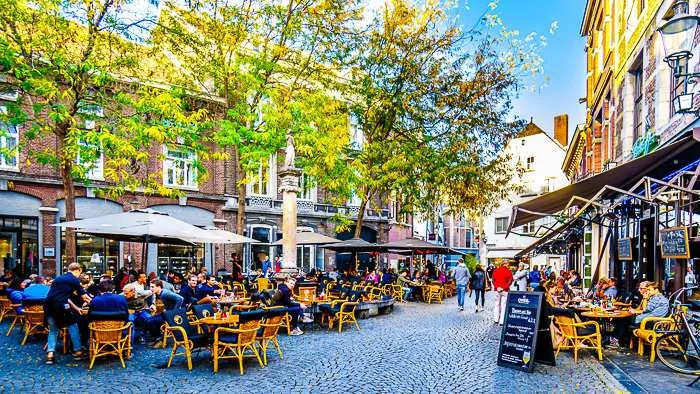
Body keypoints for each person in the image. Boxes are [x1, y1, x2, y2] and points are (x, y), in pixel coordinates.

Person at [44, 263, 91, 365]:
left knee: (53, 329)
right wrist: (96, 302)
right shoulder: (73, 279)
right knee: (73, 325)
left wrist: (76, 308)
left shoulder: (58, 279)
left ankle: (50, 354)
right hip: (62, 306)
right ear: (77, 270)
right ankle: (78, 351)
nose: (80, 275)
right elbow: (84, 296)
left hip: (49, 306)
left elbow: (65, 297)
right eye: (80, 272)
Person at [611, 281, 669, 348]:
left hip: (649, 322)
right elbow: (644, 310)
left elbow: (645, 310)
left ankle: (615, 339)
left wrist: (645, 297)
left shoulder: (656, 298)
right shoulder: (656, 297)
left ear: (656, 289)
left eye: (649, 290)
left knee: (622, 319)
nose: (648, 291)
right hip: (649, 320)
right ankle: (618, 340)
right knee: (623, 319)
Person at [145, 279, 184, 346]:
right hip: (167, 313)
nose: (151, 289)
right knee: (148, 319)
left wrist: (174, 312)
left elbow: (180, 298)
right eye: (150, 287)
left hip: (171, 315)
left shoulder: (165, 293)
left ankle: (159, 339)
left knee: (151, 321)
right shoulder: (159, 293)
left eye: (152, 287)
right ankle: (157, 338)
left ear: (159, 287)